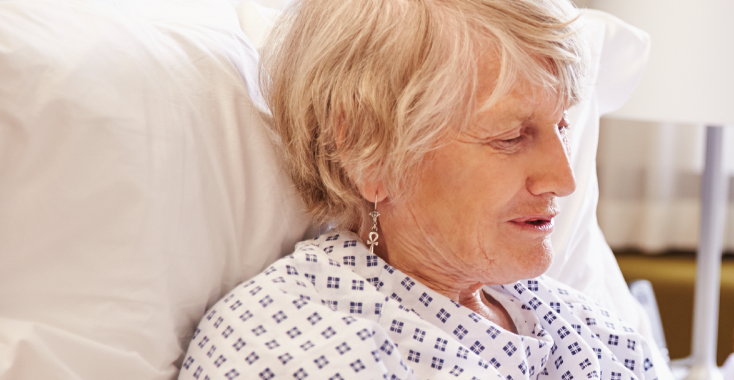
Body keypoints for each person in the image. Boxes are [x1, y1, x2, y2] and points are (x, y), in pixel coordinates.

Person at [180, 0, 670, 378]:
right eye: (510, 136)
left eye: (562, 126)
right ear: (367, 152)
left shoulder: (592, 332)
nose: (564, 179)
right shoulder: (291, 344)